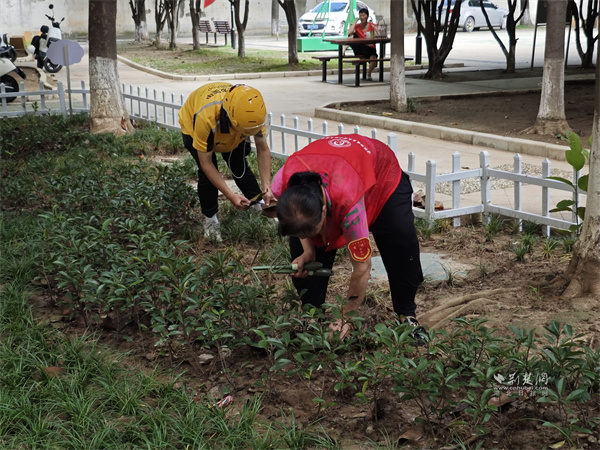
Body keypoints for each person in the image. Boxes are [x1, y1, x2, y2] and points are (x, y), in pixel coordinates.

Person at [272, 134, 427, 342]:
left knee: (400, 241)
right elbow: (301, 224)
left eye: (311, 231)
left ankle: (406, 315)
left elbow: (362, 267)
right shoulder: (282, 184)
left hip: (381, 177)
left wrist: (348, 314)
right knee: (306, 254)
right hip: (337, 168)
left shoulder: (349, 206)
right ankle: (311, 318)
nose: (306, 237)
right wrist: (307, 249)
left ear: (325, 209)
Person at [178, 82, 274, 242]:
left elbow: (263, 149)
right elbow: (206, 163)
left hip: (235, 126)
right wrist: (230, 195)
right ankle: (210, 220)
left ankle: (259, 205)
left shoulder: (253, 115)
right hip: (194, 127)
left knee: (239, 165)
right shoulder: (205, 117)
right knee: (206, 176)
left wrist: (267, 187)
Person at [344, 8, 378, 81]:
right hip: (360, 48)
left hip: (370, 47)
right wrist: (355, 21)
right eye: (360, 15)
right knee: (353, 36)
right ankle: (344, 48)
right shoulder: (357, 26)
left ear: (367, 16)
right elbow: (349, 33)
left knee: (373, 58)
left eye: (364, 15)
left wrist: (377, 30)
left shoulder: (372, 25)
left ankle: (368, 73)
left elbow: (379, 34)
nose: (362, 17)